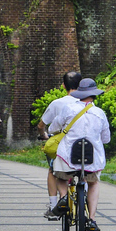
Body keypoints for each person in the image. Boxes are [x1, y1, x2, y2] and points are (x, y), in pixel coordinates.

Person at [50, 78, 110, 231]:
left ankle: (63, 197)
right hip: (92, 159)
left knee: (59, 175)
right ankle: (92, 219)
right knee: (93, 183)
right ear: (94, 95)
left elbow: (52, 128)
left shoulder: (68, 109)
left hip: (68, 156)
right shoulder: (100, 113)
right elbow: (106, 139)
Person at [36, 71, 82, 219]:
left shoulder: (57, 104)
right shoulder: (87, 103)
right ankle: (84, 202)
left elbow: (41, 125)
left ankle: (54, 205)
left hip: (61, 146)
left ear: (63, 85)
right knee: (84, 172)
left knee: (53, 170)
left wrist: (44, 135)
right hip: (83, 146)